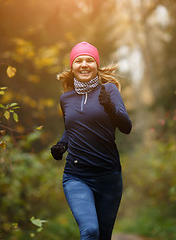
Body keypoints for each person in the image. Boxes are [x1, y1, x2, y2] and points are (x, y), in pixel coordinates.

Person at [50, 41, 132, 240]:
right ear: (72, 67)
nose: (84, 64)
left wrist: (111, 108)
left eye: (89, 60)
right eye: (79, 60)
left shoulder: (110, 90)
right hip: (77, 176)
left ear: (97, 66)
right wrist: (62, 145)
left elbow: (126, 127)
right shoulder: (66, 99)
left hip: (109, 176)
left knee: (103, 236)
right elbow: (71, 130)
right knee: (90, 231)